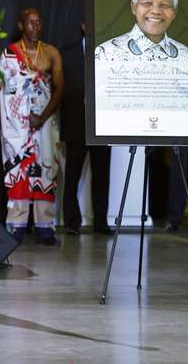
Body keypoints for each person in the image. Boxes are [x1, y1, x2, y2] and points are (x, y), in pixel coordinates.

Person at [0, 8, 64, 244]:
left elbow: (60, 89)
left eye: (38, 22)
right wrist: (23, 117)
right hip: (17, 126)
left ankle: (44, 226)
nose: (35, 26)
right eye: (30, 22)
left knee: (46, 167)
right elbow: (5, 92)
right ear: (21, 25)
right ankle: (16, 225)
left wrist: (42, 116)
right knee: (19, 169)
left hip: (45, 122)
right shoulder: (9, 54)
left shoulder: (51, 53)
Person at [60, 21, 112, 235]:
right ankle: (72, 223)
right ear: (82, 26)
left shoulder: (110, 53)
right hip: (75, 124)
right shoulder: (66, 53)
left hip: (102, 125)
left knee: (102, 176)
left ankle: (101, 222)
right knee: (72, 176)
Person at [94, 0, 188, 62]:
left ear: (174, 12)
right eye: (147, 3)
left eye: (165, 5)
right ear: (133, 7)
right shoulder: (105, 54)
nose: (155, 11)